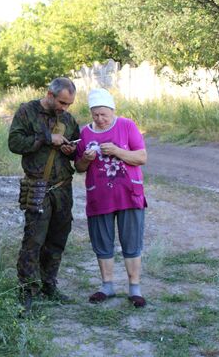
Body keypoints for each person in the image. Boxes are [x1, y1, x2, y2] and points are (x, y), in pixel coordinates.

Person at [8, 77, 80, 312]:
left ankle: (49, 284)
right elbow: (15, 143)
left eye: (68, 104)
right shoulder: (27, 112)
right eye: (62, 102)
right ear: (49, 94)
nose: (64, 108)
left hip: (63, 187)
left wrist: (71, 150)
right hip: (38, 187)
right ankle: (27, 291)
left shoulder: (68, 120)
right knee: (33, 241)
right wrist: (48, 139)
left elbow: (75, 151)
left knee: (58, 239)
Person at [74, 88, 148, 308]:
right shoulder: (85, 133)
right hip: (99, 196)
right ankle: (107, 286)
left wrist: (116, 150)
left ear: (113, 110)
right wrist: (86, 159)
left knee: (131, 242)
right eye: (95, 114)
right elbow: (78, 167)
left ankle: (134, 288)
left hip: (129, 194)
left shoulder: (127, 126)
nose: (100, 119)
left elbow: (141, 157)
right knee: (102, 242)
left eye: (104, 114)